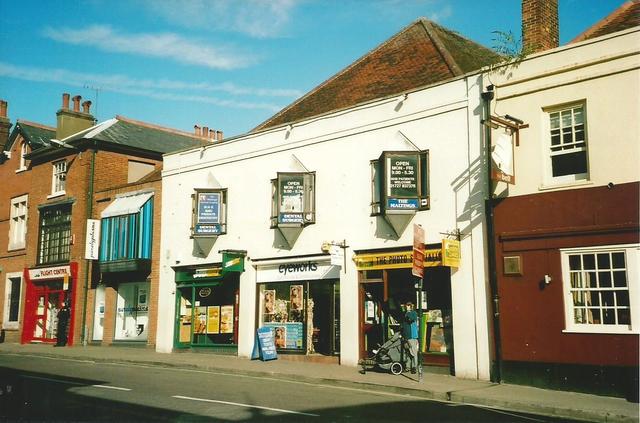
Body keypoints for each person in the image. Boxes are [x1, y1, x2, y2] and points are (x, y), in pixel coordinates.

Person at [402, 302, 419, 374]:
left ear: (411, 307)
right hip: (406, 336)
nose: (407, 307)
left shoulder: (413, 313)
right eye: (406, 306)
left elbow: (411, 319)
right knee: (408, 353)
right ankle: (408, 367)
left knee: (413, 353)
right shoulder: (405, 313)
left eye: (409, 306)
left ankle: (414, 367)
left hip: (412, 336)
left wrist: (407, 314)